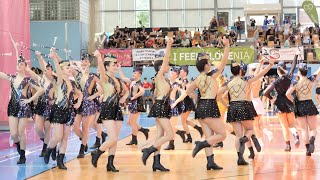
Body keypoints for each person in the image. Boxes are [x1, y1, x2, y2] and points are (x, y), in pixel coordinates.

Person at [218, 58, 274, 165]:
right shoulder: (246, 79)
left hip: (233, 107)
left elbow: (218, 95)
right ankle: (245, 139)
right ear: (240, 71)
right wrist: (270, 65)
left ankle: (240, 158)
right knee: (250, 130)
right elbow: (260, 74)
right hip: (244, 105)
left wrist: (226, 105)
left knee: (238, 134)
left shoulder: (228, 82)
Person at [185, 36, 230, 170]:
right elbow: (223, 63)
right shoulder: (211, 75)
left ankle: (210, 162)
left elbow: (188, 91)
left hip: (200, 106)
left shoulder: (197, 79)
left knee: (209, 135)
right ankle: (201, 144)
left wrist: (196, 96)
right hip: (209, 106)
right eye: (209, 63)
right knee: (222, 134)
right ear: (206, 66)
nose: (210, 64)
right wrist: (227, 46)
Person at [0, 55, 44, 164]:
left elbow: (41, 90)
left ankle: (23, 156)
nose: (19, 65)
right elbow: (2, 74)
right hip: (12, 106)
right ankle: (18, 144)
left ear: (25, 67)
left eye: (21, 64)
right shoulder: (12, 77)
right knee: (14, 134)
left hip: (24, 107)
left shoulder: (28, 79)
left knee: (21, 131)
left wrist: (30, 100)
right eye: (18, 64)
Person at [44, 49, 83, 170]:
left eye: (69, 68)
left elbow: (80, 94)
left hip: (69, 111)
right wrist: (55, 58)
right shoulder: (60, 80)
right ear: (61, 70)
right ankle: (49, 149)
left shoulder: (72, 82)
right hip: (58, 110)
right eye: (67, 68)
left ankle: (60, 160)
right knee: (57, 137)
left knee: (65, 137)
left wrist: (78, 103)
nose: (69, 69)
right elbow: (58, 69)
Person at [91, 52, 129, 172]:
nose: (115, 66)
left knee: (115, 138)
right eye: (113, 64)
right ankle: (97, 152)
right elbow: (101, 71)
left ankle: (110, 163)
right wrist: (99, 58)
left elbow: (126, 90)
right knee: (112, 138)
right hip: (107, 108)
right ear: (107, 67)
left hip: (117, 109)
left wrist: (123, 97)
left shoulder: (117, 79)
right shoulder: (105, 78)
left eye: (116, 64)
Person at [141, 37, 174, 172]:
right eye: (167, 64)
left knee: (160, 136)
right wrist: (169, 44)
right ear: (161, 67)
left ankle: (156, 162)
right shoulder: (159, 76)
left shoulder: (163, 78)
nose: (169, 66)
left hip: (163, 106)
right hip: (160, 106)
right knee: (170, 135)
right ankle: (149, 150)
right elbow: (165, 58)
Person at [264, 51, 300, 152]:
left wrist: (272, 99)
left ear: (278, 71)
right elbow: (293, 67)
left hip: (279, 104)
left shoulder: (276, 81)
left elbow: (265, 92)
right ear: (285, 69)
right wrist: (295, 56)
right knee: (291, 125)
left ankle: (288, 146)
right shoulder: (289, 77)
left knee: (284, 126)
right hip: (288, 102)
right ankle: (296, 135)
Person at [286, 63, 320, 156]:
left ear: (299, 71)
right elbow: (318, 71)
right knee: (313, 128)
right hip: (309, 103)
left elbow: (287, 94)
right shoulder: (311, 80)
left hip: (300, 105)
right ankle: (312, 139)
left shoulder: (295, 82)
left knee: (304, 129)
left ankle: (308, 150)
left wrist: (293, 100)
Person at [72, 53, 102, 158]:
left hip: (88, 104)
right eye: (82, 61)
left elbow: (103, 87)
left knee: (85, 128)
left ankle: (82, 149)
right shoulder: (77, 75)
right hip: (79, 103)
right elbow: (65, 64)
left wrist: (93, 96)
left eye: (85, 61)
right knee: (75, 127)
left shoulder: (93, 76)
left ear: (89, 63)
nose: (83, 63)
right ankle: (84, 140)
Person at [28, 51, 55, 157]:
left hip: (51, 106)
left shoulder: (54, 80)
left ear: (52, 71)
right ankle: (47, 142)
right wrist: (39, 56)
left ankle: (45, 148)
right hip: (41, 105)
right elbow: (33, 73)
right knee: (38, 128)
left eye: (49, 69)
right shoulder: (41, 80)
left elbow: (45, 64)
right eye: (45, 69)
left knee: (48, 128)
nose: (46, 70)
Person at [118, 66, 150, 145]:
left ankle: (134, 139)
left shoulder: (139, 83)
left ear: (139, 74)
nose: (133, 74)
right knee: (129, 122)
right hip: (132, 103)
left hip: (137, 103)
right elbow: (123, 78)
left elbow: (142, 91)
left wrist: (134, 96)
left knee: (132, 122)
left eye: (135, 73)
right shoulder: (132, 81)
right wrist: (119, 69)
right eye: (133, 72)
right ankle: (143, 130)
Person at [249, 61, 273, 144]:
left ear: (252, 71)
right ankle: (267, 132)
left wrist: (260, 64)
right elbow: (258, 73)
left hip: (253, 103)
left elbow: (256, 73)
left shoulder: (251, 79)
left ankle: (260, 142)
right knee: (259, 123)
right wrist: (261, 64)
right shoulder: (259, 79)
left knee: (255, 125)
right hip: (258, 102)